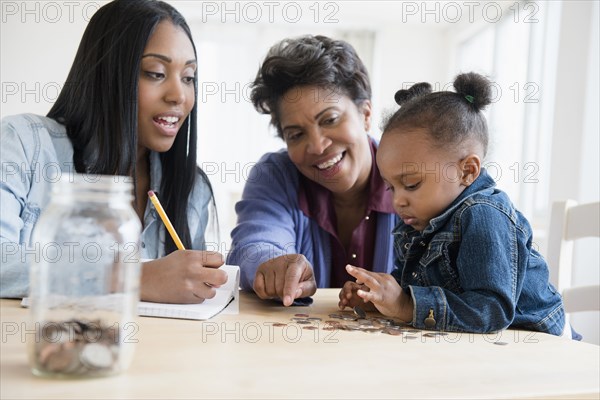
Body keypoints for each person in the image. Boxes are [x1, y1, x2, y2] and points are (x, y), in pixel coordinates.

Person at [0, 0, 227, 303]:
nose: (179, 96)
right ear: (107, 75)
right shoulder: (23, 143)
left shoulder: (191, 187)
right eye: (156, 73)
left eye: (188, 77)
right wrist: (129, 277)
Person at [339, 72, 567, 336]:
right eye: (391, 187)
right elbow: (409, 287)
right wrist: (377, 297)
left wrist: (405, 305)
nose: (397, 200)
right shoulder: (420, 217)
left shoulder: (484, 215)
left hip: (536, 338)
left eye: (411, 184)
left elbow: (491, 311)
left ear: (467, 171)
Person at [227, 35, 398, 306]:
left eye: (329, 119)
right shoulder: (275, 174)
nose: (317, 146)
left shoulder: (414, 175)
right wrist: (273, 264)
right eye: (296, 134)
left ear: (365, 114)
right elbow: (252, 246)